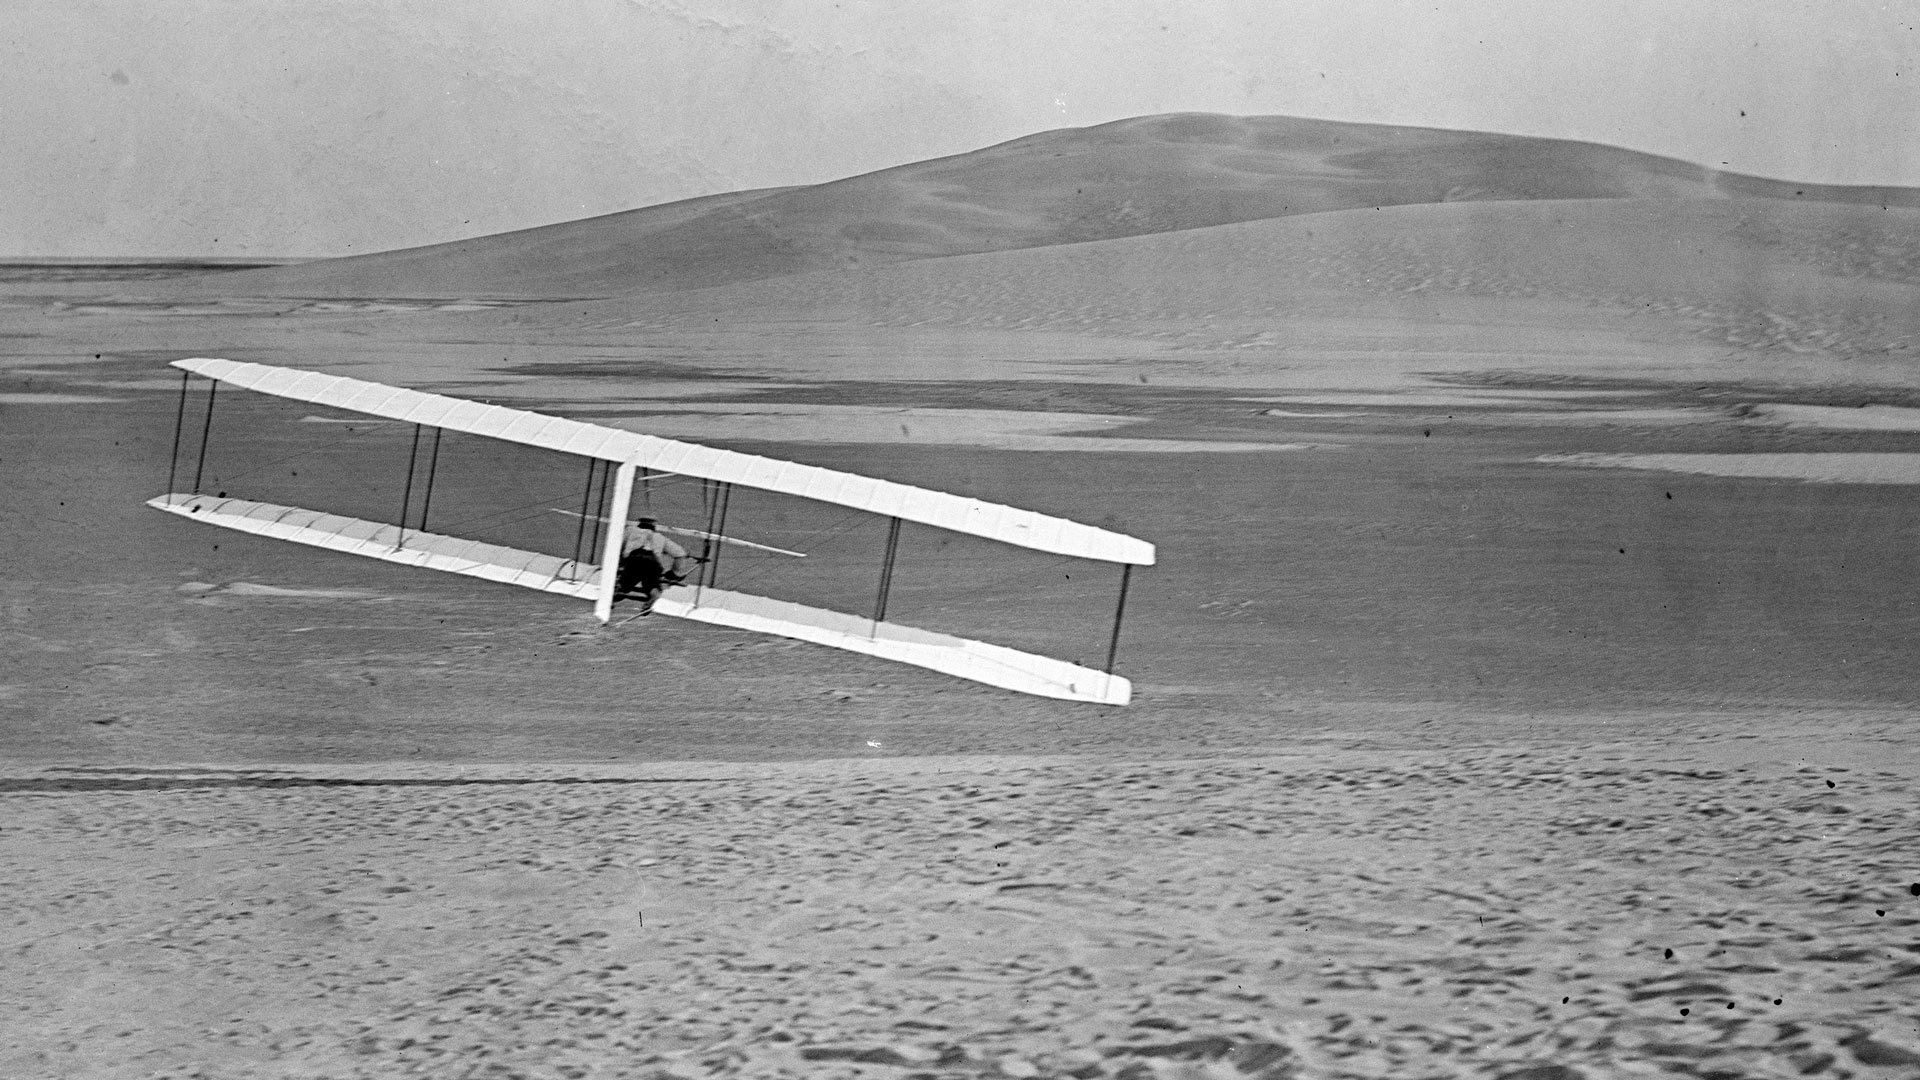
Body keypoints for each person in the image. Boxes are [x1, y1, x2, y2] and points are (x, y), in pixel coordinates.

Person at [615, 513, 692, 615]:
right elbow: (680, 555)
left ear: (639, 522)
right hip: (653, 563)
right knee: (651, 585)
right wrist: (674, 573)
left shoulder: (630, 531)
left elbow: (617, 546)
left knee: (624, 584)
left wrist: (619, 564)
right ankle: (653, 597)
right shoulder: (660, 537)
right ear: (654, 526)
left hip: (634, 561)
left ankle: (617, 592)